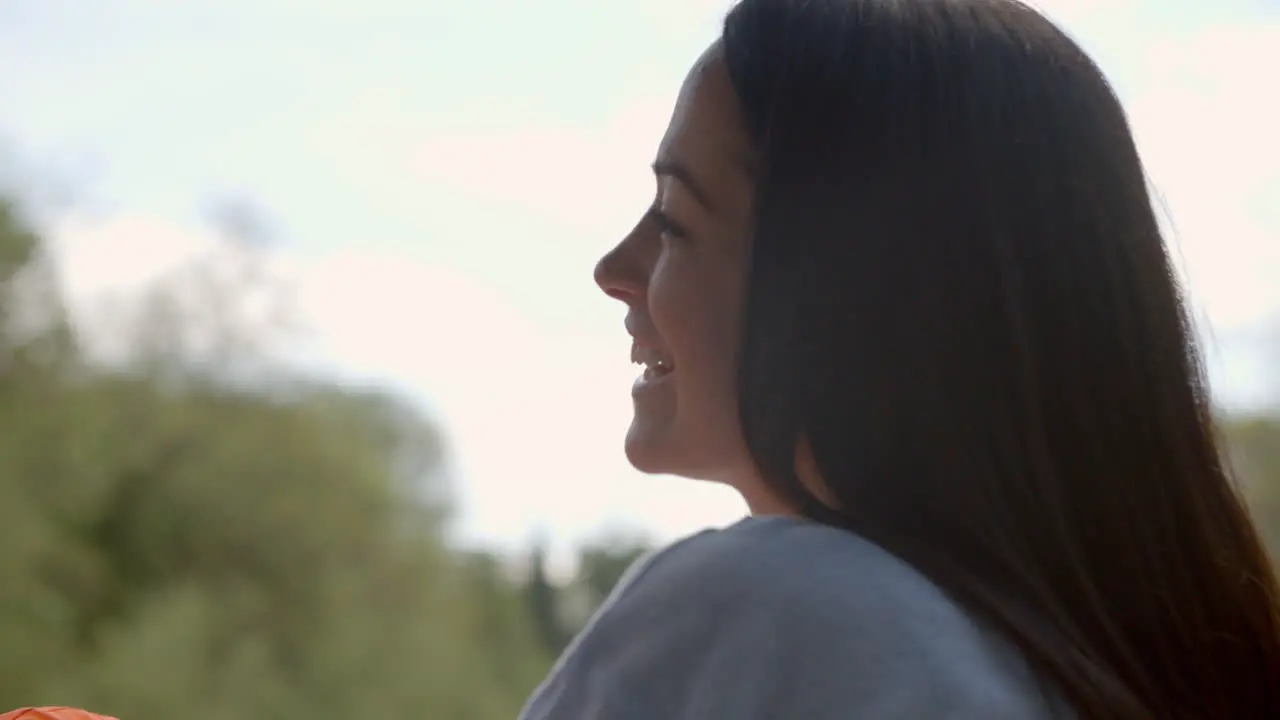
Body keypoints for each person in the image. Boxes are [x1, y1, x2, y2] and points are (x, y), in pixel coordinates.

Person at [520, 0, 1280, 717]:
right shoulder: (1093, 673)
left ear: (840, 284)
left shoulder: (774, 612)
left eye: (675, 221)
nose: (614, 269)